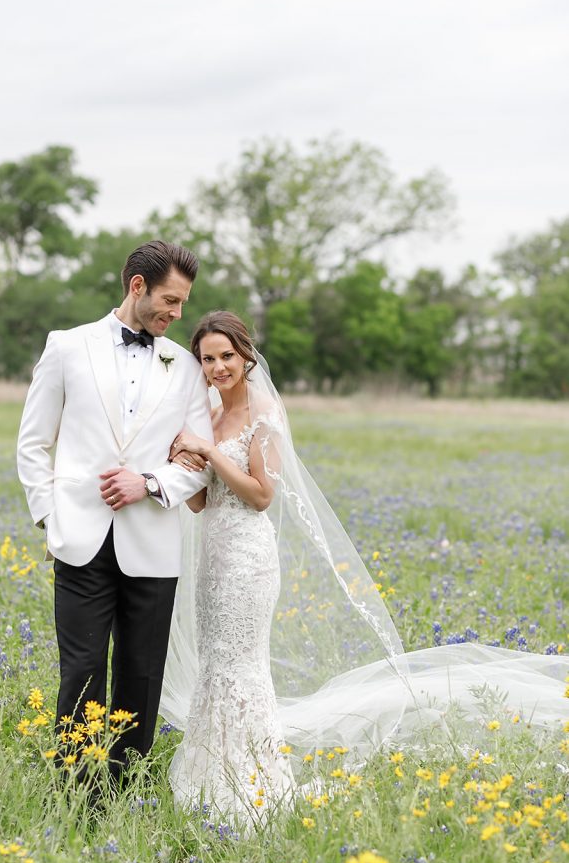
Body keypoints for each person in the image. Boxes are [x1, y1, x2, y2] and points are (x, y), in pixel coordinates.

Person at [157, 311, 569, 827]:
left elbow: (262, 496)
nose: (217, 367)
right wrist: (183, 459)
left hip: (248, 559)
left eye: (226, 356)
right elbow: (201, 505)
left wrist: (210, 453)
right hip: (214, 556)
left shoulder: (264, 412)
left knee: (243, 667)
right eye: (208, 358)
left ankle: (255, 778)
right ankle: (208, 773)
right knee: (217, 665)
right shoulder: (210, 418)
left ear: (246, 356)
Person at [16, 240, 213, 787]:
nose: (177, 315)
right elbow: (33, 443)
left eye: (182, 304)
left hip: (152, 542)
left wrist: (149, 482)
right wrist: (48, 519)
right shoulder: (66, 347)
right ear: (136, 286)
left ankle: (127, 791)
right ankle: (78, 793)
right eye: (170, 302)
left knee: (142, 674)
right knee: (79, 670)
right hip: (78, 538)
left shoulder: (187, 367)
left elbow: (198, 461)